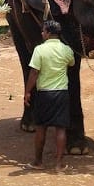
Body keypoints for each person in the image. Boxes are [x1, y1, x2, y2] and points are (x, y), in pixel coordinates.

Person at [24, 20, 75, 172]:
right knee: (60, 129)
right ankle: (59, 164)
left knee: (41, 128)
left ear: (47, 33)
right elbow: (71, 63)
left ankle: (38, 162)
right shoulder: (66, 50)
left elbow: (34, 72)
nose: (41, 33)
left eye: (43, 31)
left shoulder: (39, 50)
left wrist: (27, 91)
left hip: (44, 93)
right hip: (61, 93)